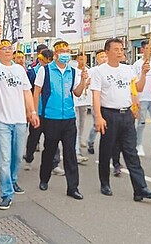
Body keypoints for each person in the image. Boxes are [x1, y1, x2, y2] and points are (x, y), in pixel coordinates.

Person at [90, 38, 151, 202]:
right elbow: (96, 95)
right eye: (116, 49)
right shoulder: (100, 71)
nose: (120, 52)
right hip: (109, 114)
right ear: (107, 52)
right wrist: (98, 117)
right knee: (107, 150)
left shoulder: (128, 70)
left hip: (126, 115)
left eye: (121, 49)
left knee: (131, 152)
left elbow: (138, 88)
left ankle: (140, 188)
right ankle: (105, 183)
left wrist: (143, 73)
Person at [0, 26, 40, 209]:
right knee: (5, 159)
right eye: (4, 48)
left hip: (19, 120)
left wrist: (32, 112)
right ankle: (6, 193)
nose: (8, 50)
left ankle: (13, 179)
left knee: (17, 157)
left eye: (10, 48)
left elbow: (27, 92)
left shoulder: (19, 69)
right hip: (1, 120)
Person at [33, 40, 87, 200]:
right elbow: (37, 92)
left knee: (70, 153)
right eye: (62, 51)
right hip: (51, 118)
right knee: (49, 151)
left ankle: (73, 187)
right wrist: (34, 113)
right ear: (56, 53)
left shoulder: (73, 71)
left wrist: (83, 80)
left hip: (69, 118)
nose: (65, 54)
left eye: (67, 51)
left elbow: (77, 93)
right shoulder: (45, 70)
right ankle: (44, 178)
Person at [23, 48, 64, 175]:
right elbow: (29, 92)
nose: (46, 62)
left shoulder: (56, 71)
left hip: (51, 112)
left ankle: (54, 163)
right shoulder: (32, 72)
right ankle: (29, 158)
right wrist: (30, 110)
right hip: (38, 111)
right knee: (34, 137)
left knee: (53, 139)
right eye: (44, 60)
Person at [131, 41, 151, 158]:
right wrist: (135, 97)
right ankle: (138, 145)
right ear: (142, 50)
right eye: (147, 48)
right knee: (141, 123)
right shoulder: (137, 64)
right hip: (142, 98)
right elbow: (133, 82)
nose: (150, 50)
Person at [85, 49, 107, 155]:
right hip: (96, 102)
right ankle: (90, 141)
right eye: (101, 57)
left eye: (105, 57)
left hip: (108, 103)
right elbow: (85, 84)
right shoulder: (93, 71)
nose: (104, 59)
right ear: (97, 59)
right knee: (96, 125)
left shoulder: (110, 70)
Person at [73, 52, 90, 164]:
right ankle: (76, 149)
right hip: (75, 101)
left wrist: (88, 83)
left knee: (82, 123)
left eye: (84, 59)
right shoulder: (74, 71)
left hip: (85, 100)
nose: (82, 61)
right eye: (80, 59)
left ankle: (80, 140)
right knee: (76, 125)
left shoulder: (89, 71)